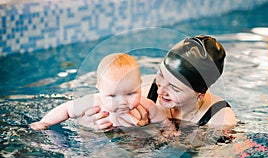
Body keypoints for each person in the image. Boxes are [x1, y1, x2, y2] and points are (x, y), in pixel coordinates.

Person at [78, 35, 237, 130]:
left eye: (174, 88)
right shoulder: (141, 91)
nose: (160, 91)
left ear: (200, 94)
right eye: (161, 75)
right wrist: (90, 125)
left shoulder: (219, 119)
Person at [30, 53, 167, 130]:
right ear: (99, 89)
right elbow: (66, 109)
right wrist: (45, 122)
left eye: (131, 93)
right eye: (112, 96)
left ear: (139, 85)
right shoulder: (94, 102)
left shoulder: (147, 105)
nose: (122, 101)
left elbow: (162, 120)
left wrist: (170, 132)